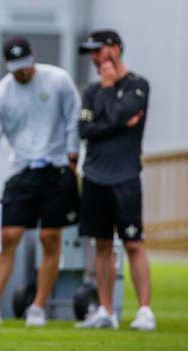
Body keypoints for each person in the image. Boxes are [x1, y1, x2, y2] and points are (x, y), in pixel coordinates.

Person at [0, 36, 81, 327]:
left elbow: (73, 120)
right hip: (22, 171)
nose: (23, 72)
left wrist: (73, 162)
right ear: (8, 65)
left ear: (33, 57)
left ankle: (38, 306)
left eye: (26, 65)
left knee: (49, 239)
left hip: (57, 168)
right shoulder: (0, 95)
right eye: (17, 68)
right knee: (8, 236)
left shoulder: (58, 80)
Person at [75, 30, 155, 331]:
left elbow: (124, 114)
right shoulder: (92, 91)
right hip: (95, 175)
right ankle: (106, 311)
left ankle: (144, 310)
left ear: (116, 49)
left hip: (125, 176)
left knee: (133, 243)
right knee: (102, 244)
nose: (95, 58)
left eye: (99, 51)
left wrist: (108, 111)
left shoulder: (138, 85)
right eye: (91, 53)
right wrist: (113, 118)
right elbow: (85, 130)